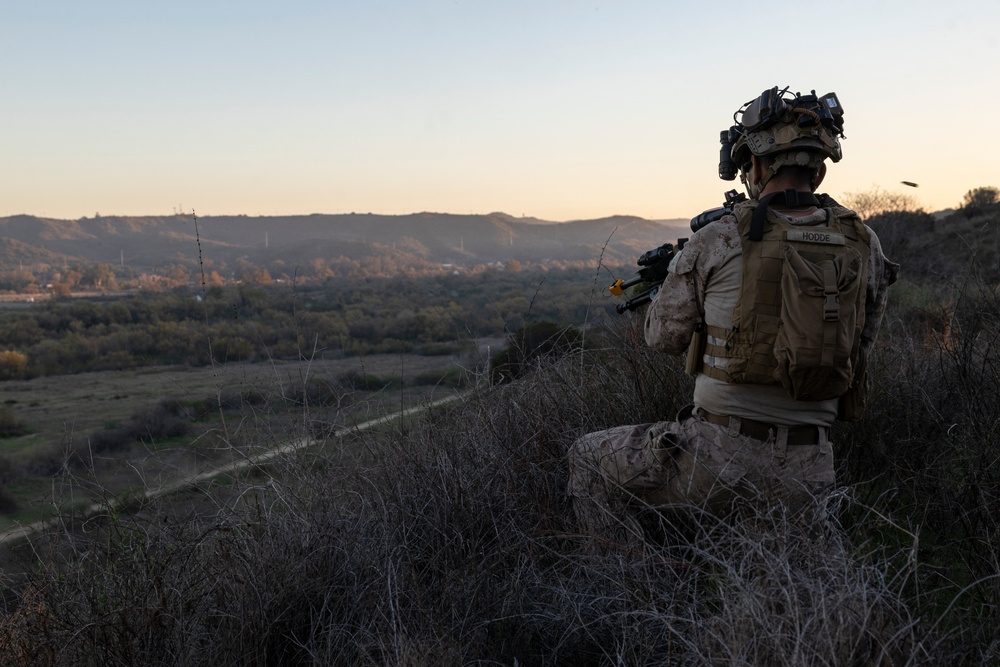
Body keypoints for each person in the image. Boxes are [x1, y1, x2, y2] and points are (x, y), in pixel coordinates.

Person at [568, 87, 899, 543]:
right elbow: (862, 342)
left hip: (717, 459)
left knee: (586, 456)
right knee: (795, 576)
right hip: (811, 469)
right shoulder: (865, 243)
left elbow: (661, 338)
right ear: (820, 169)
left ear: (757, 167)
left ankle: (631, 579)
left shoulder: (719, 238)